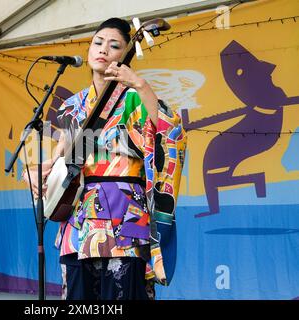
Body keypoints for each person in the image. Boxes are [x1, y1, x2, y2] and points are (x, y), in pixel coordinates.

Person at [23, 17, 186, 300]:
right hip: (79, 216)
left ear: (125, 55)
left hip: (124, 215)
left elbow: (168, 131)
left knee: (122, 293)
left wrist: (140, 83)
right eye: (98, 43)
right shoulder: (73, 105)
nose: (103, 50)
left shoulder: (134, 98)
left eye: (114, 46)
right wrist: (41, 171)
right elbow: (64, 156)